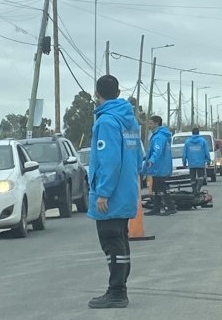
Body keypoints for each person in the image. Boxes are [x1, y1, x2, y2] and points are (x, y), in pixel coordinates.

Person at [86, 75, 142, 309]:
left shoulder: (107, 122)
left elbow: (109, 160)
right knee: (120, 240)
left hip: (111, 195)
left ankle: (117, 291)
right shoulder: (130, 121)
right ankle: (119, 288)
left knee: (111, 242)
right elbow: (139, 156)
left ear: (97, 94)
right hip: (127, 190)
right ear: (118, 92)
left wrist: (103, 192)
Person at [143, 115, 175, 216]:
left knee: (161, 188)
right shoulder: (158, 135)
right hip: (159, 167)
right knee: (156, 189)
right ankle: (157, 207)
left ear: (156, 123)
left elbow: (157, 151)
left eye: (151, 123)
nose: (149, 125)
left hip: (160, 167)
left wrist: (151, 161)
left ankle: (170, 207)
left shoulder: (159, 137)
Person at [182, 127, 211, 194]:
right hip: (200, 163)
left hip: (191, 163)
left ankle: (194, 190)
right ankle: (198, 189)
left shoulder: (187, 142)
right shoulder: (203, 141)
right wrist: (208, 161)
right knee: (201, 177)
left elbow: (184, 153)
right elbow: (207, 152)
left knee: (192, 178)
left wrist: (184, 162)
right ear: (198, 133)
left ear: (192, 133)